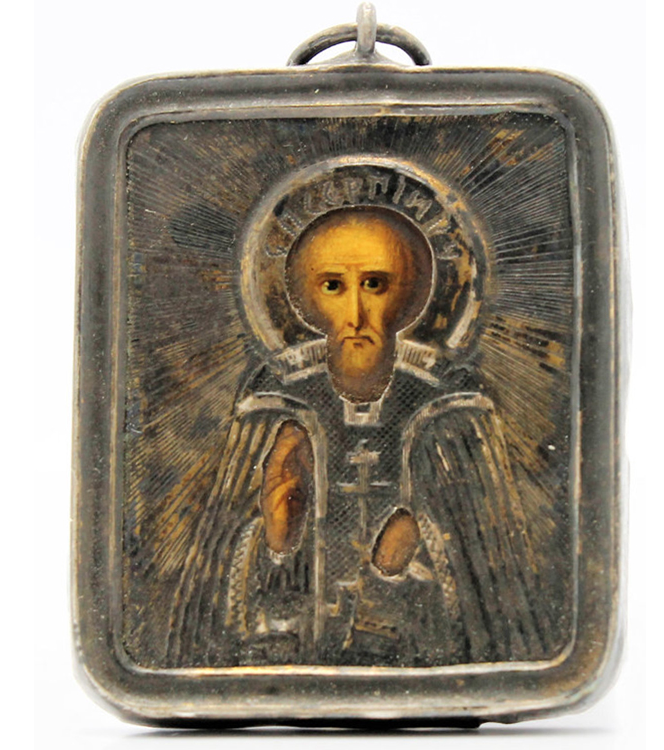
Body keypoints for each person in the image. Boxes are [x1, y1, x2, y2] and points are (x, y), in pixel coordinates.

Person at [167, 207, 554, 667]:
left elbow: (491, 586)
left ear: (413, 293)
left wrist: (412, 550)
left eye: (374, 284)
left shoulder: (450, 402)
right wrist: (274, 542)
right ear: (304, 298)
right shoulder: (274, 399)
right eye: (333, 286)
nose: (355, 316)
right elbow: (213, 586)